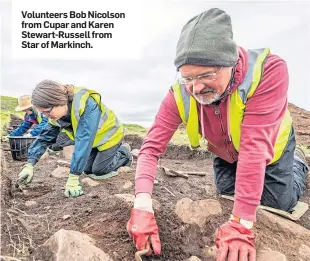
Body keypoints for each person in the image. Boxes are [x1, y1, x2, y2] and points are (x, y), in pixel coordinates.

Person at [126, 8, 309, 261]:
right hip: (225, 152)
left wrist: (241, 226)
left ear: (230, 62)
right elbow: (150, 149)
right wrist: (142, 206)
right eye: (188, 77)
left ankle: (297, 164)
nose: (196, 87)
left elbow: (255, 149)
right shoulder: (179, 94)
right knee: (228, 198)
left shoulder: (268, 71)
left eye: (206, 75)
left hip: (270, 149)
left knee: (275, 206)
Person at [16, 80, 133, 198]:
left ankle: (124, 153)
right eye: (43, 113)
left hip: (110, 136)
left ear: (57, 101)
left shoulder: (87, 103)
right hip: (95, 142)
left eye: (47, 112)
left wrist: (73, 177)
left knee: (99, 171)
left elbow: (84, 139)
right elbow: (45, 137)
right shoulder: (57, 113)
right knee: (87, 170)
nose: (46, 116)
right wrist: (30, 164)